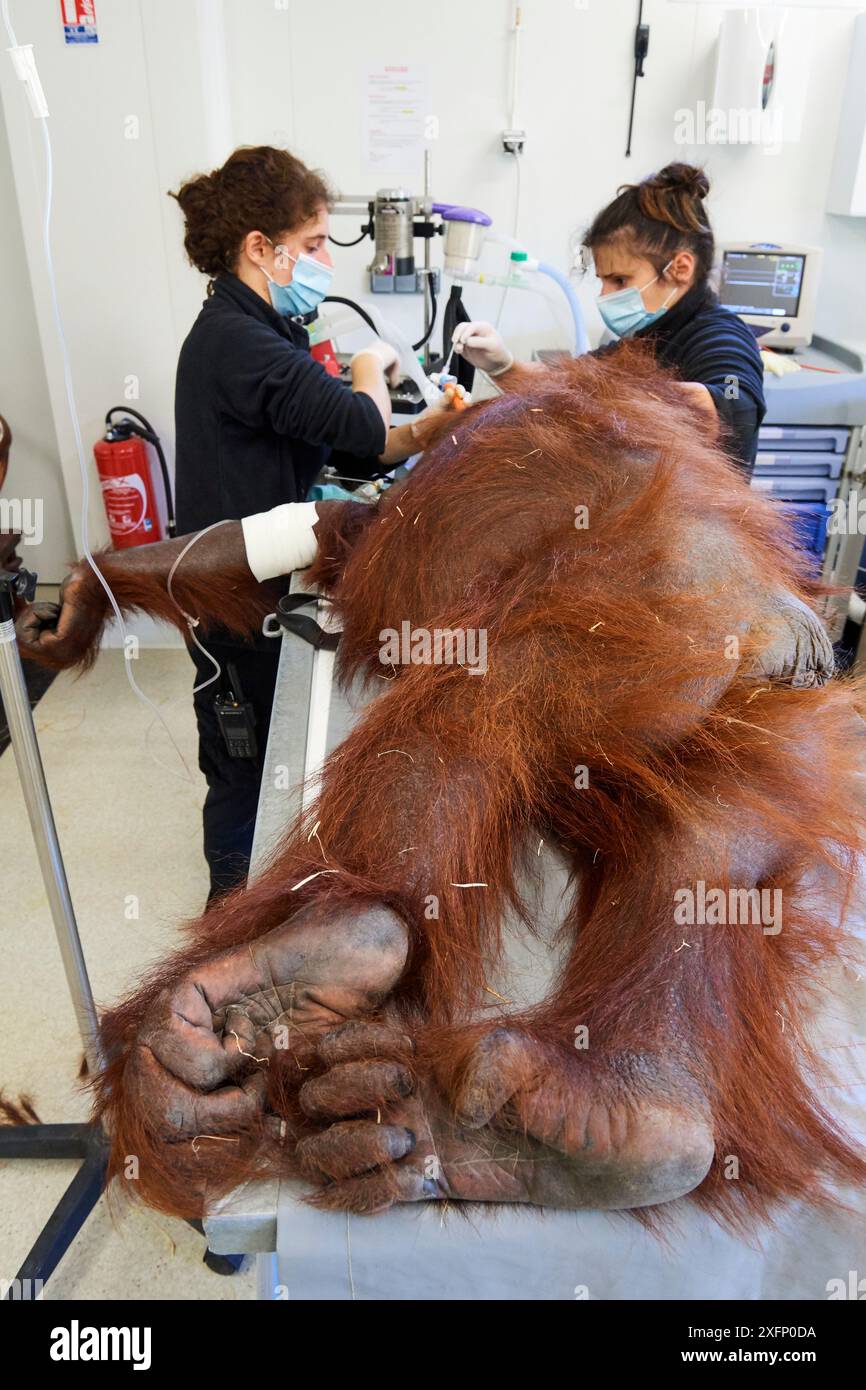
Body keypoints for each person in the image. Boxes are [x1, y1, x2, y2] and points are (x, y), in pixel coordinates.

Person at [167, 144, 439, 899]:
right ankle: (227, 923)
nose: (325, 260)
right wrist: (366, 368)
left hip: (265, 576)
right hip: (233, 599)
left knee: (277, 753)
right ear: (262, 247)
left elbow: (344, 439)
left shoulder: (267, 329)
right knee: (242, 766)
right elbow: (354, 420)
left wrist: (429, 429)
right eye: (314, 244)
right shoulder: (235, 342)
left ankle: (276, 895)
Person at [451, 163, 766, 472]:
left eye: (620, 280)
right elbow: (565, 383)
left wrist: (600, 397)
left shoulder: (720, 334)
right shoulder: (645, 337)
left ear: (680, 269)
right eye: (603, 281)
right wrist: (502, 365)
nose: (604, 296)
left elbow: (734, 403)